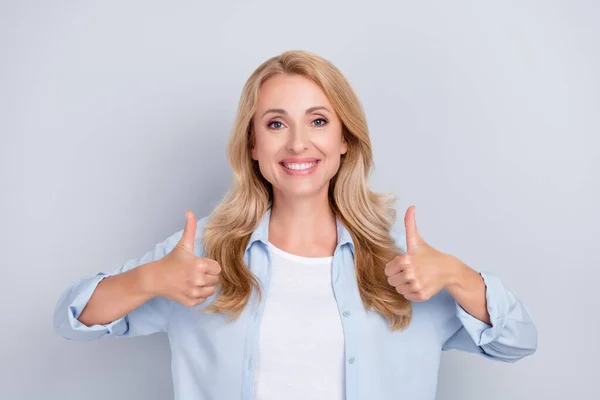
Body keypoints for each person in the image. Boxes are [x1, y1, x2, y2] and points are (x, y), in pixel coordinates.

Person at [53, 50, 538, 400]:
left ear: (346, 139)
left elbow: (517, 341)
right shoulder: (201, 252)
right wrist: (148, 278)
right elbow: (73, 322)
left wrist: (455, 274)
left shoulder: (403, 264)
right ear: (252, 144)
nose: (298, 144)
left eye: (319, 121)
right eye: (276, 124)